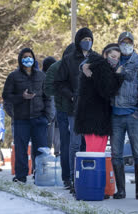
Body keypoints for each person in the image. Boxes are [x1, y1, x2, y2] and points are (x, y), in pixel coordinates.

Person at [2, 48, 54, 183]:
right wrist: (21, 97)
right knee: (21, 149)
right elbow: (6, 96)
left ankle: (40, 176)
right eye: (25, 57)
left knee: (41, 150)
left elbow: (48, 97)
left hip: (39, 118)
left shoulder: (41, 76)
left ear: (34, 58)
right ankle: (21, 176)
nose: (28, 59)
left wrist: (47, 117)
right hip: (21, 119)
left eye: (30, 56)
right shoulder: (13, 76)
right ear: (20, 59)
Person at [54, 27, 94, 191]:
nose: (88, 42)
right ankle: (72, 177)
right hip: (74, 108)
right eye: (84, 39)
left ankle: (88, 176)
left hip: (92, 108)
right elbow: (59, 83)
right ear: (78, 41)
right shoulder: (69, 60)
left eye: (90, 39)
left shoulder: (95, 58)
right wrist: (71, 95)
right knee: (75, 144)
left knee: (89, 145)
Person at [110, 32, 138, 200]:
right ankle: (121, 190)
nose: (126, 45)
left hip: (133, 115)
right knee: (116, 153)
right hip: (115, 115)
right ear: (118, 44)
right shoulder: (112, 61)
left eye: (129, 42)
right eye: (123, 42)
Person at [75, 43, 124, 152]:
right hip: (95, 118)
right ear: (105, 55)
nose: (115, 60)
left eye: (117, 58)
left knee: (97, 152)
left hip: (96, 117)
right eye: (113, 56)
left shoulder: (99, 66)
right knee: (95, 153)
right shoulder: (101, 67)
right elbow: (108, 90)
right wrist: (119, 76)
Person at [44, 43, 75, 189]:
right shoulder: (56, 67)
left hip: (81, 110)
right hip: (63, 110)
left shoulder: (85, 65)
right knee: (66, 144)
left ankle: (77, 175)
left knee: (80, 144)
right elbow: (48, 88)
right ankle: (67, 177)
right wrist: (64, 91)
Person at [42, 56, 60, 155]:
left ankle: (57, 154)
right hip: (48, 117)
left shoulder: (54, 80)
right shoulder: (45, 80)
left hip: (55, 116)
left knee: (53, 142)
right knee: (47, 143)